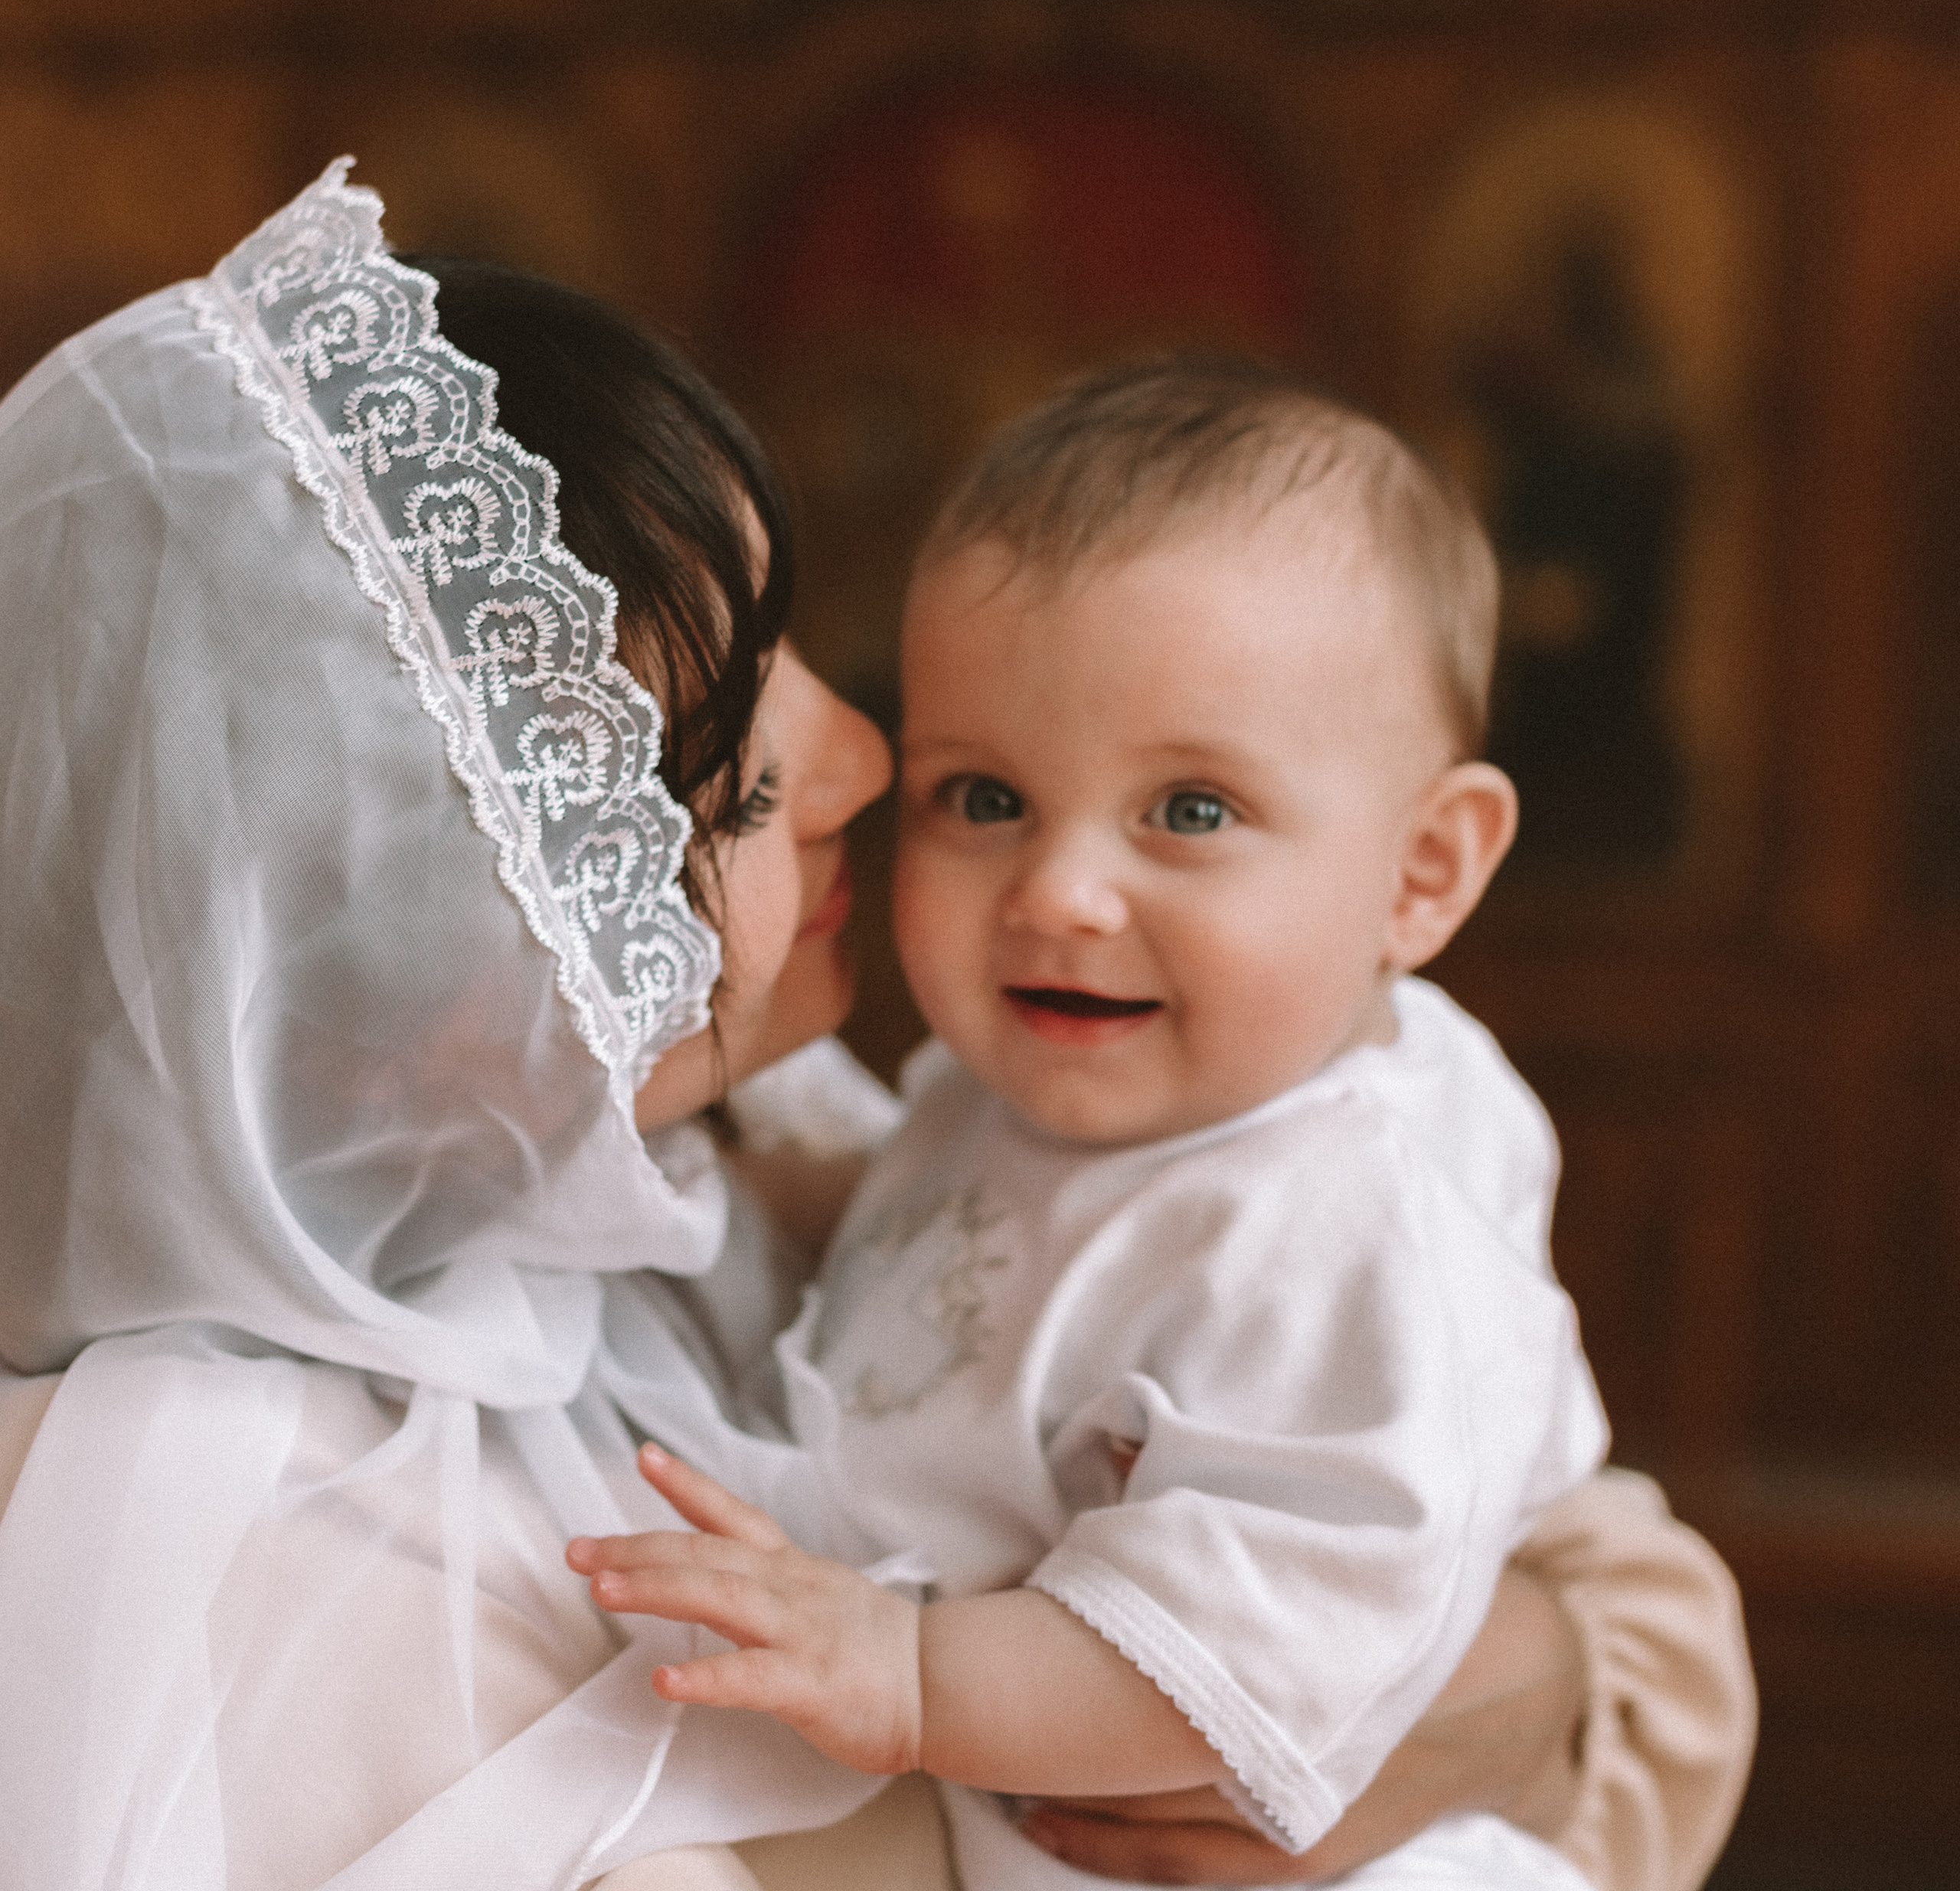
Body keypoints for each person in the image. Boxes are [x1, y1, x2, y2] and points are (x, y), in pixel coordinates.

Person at [0, 166, 1749, 1891]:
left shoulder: (1221, 1178)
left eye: (802, 652)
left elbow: (1597, 1600)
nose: (861, 767)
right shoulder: (295, 1565)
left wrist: (1529, 1689)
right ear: (403, 989)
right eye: (737, 781)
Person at [564, 359, 1729, 1891]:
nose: (1056, 892)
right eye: (982, 797)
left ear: (1422, 870)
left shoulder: (1334, 1224)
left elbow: (1241, 1646)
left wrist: (912, 1673)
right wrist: (747, 1195)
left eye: (1187, 810)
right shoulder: (1035, 1092)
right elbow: (947, 1228)